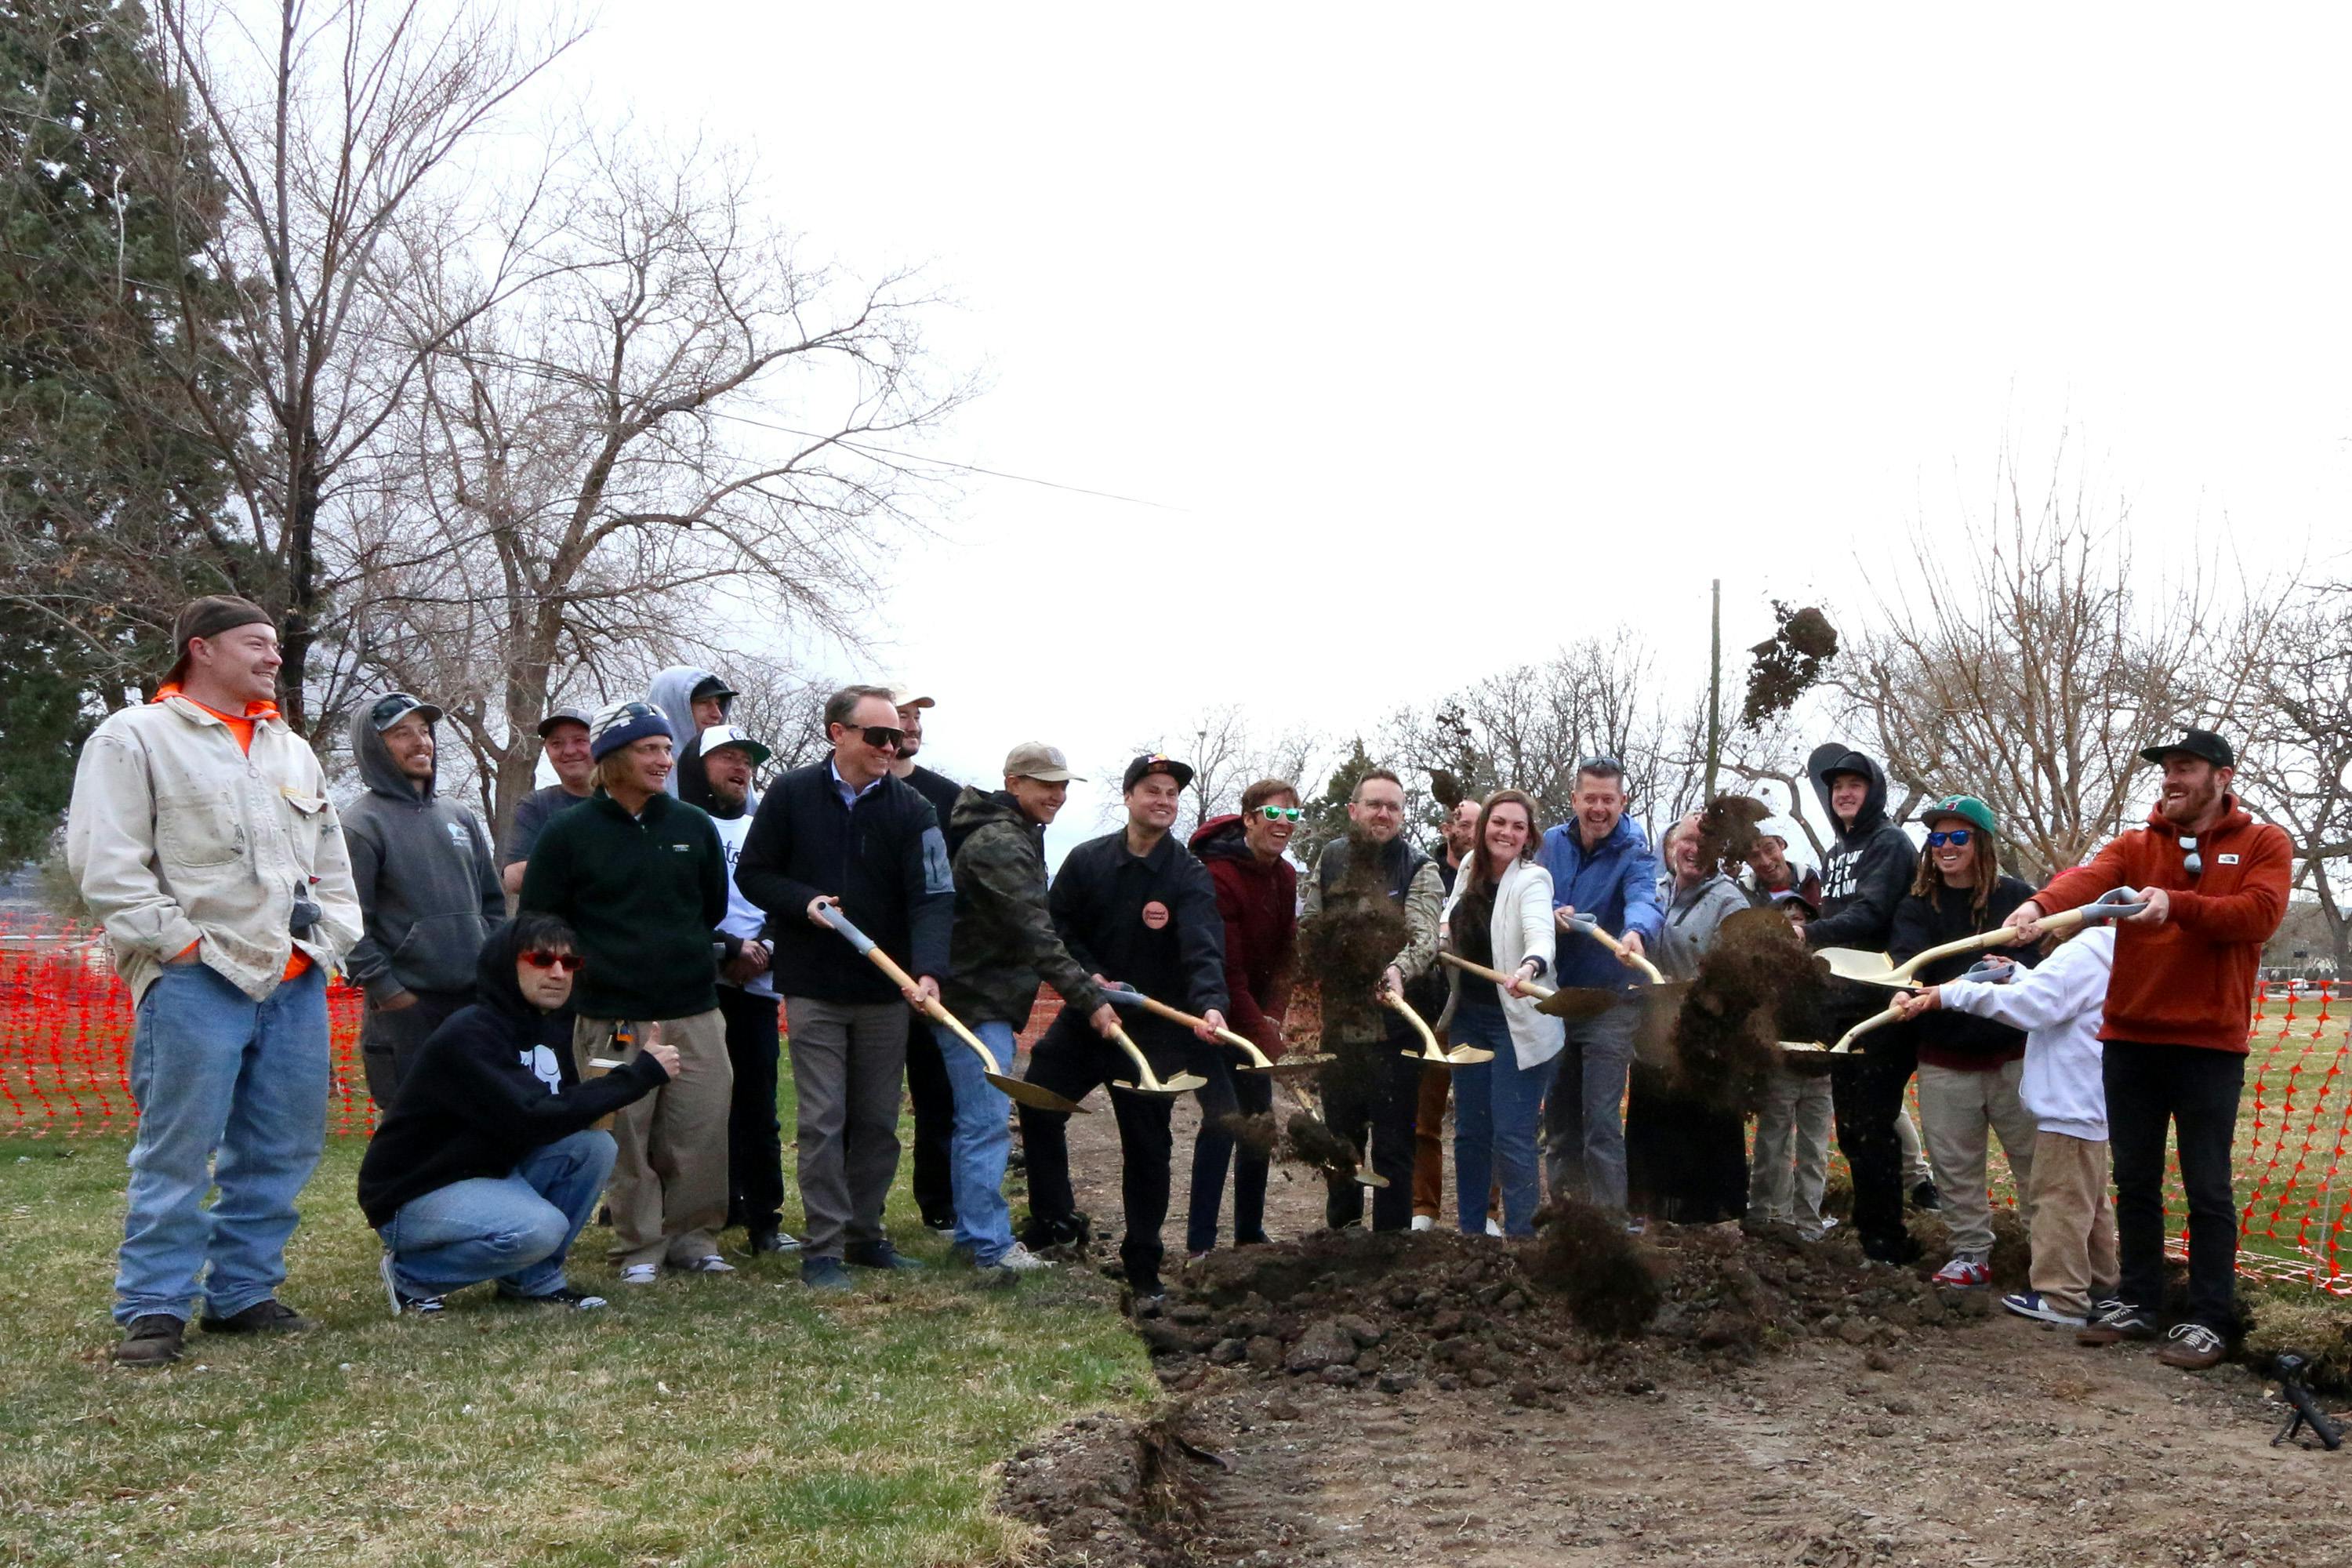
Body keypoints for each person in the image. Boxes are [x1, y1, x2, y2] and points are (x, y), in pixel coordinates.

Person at [66, 595, 362, 1366]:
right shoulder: (134, 737)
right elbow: (105, 860)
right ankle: (156, 1305)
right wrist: (180, 946)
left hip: (294, 980)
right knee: (178, 1147)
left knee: (281, 1147)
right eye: (256, 643)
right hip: (197, 979)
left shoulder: (289, 747)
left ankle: (242, 1293)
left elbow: (329, 858)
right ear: (201, 648)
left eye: (275, 645)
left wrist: (328, 938)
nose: (273, 657)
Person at [2006, 728, 2290, 1369]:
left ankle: (2211, 1319)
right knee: (2135, 1181)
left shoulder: (2262, 843)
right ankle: (2137, 1300)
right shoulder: (2136, 845)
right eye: (2165, 769)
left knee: (2208, 1187)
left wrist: (2178, 905)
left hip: (2209, 1045)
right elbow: (2087, 880)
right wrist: (2037, 907)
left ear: (2222, 776)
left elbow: (2260, 914)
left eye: (2185, 768)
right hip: (2129, 1040)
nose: (2171, 780)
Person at [735, 684, 953, 1291]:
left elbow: (934, 897)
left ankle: (866, 1235)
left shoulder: (913, 810)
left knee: (878, 1121)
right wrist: (803, 902)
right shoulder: (791, 794)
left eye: (898, 738)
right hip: (813, 988)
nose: (892, 746)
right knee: (824, 1119)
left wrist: (929, 970)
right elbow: (754, 874)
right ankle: (823, 1248)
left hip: (887, 993)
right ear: (839, 734)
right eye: (878, 736)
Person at [519, 699, 738, 1284]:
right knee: (625, 1135)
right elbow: (543, 920)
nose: (664, 760)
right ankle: (638, 1249)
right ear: (613, 759)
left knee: (700, 1130)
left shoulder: (693, 826)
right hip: (611, 1016)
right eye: (649, 749)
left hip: (693, 1009)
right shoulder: (568, 834)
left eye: (667, 749)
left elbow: (711, 907)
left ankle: (696, 1240)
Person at [359, 916, 681, 1314]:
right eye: (542, 960)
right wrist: (639, 1075)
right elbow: (535, 1116)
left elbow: (558, 1116)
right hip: (415, 1192)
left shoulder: (549, 1028)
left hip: (489, 1175)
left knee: (592, 1146)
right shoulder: (472, 1031)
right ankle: (414, 1277)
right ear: (506, 964)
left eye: (570, 963)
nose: (559, 973)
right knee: (539, 1229)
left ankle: (532, 1280)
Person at [1017, 754, 1229, 1301]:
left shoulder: (1187, 875)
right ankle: (1055, 1221)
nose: (1164, 800)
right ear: (1130, 796)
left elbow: (1204, 950)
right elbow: (1056, 928)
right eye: (1153, 790)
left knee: (1148, 1147)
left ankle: (1143, 1262)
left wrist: (1210, 1005)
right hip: (1088, 1017)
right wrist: (1089, 982)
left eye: (1172, 794)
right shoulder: (1087, 861)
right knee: (1039, 1101)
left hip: (1152, 1033)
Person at [937, 742, 1116, 1276]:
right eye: (1045, 784)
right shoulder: (998, 843)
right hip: (976, 1001)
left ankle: (974, 1237)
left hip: (987, 997)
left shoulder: (1018, 836)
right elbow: (1035, 933)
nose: (1057, 795)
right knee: (986, 1125)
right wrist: (1090, 1001)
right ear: (1014, 784)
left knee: (977, 1122)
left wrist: (1088, 979)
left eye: (1062, 786)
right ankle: (990, 1249)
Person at [1896, 925, 2119, 1329]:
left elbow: (2036, 1007)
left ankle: (2062, 1295)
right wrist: (2018, 974)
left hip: (2067, 1106)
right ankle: (2103, 1287)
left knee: (2058, 1199)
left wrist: (1954, 994)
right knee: (2089, 1201)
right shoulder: (2106, 951)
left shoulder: (2083, 951)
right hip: (2087, 1103)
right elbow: (2058, 998)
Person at [1883, 796, 2042, 1286]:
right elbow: (1906, 965)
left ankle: (2050, 1260)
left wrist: (2016, 972)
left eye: (1958, 837)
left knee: (2036, 1166)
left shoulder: (2018, 899)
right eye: (1937, 838)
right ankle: (1970, 1253)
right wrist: (1904, 994)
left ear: (1982, 843)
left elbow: (2042, 970)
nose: (1946, 847)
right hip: (1945, 1060)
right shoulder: (1918, 904)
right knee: (1955, 1169)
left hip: (2012, 1057)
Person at [343, 691, 506, 1106]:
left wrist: (493, 972)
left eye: (425, 731)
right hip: (406, 1010)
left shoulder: (459, 816)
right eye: (402, 734)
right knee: (414, 1135)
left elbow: (493, 905)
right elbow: (346, 923)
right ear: (374, 748)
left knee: (479, 1119)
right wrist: (390, 991)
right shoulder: (360, 825)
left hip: (473, 1001)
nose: (421, 742)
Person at [1802, 742, 1930, 1263]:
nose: (1845, 793)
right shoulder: (1837, 854)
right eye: (1837, 787)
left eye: (1855, 785)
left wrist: (1804, 933)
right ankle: (1870, 1229)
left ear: (1872, 790)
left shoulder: (1890, 844)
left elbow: (1873, 913)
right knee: (1850, 1126)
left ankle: (1887, 1239)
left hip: (1884, 999)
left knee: (1874, 1123)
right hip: (1842, 1004)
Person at [1302, 768, 1442, 1232]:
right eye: (1375, 804)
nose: (1383, 813)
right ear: (1354, 810)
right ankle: (1342, 1237)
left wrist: (1397, 970)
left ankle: (1392, 1241)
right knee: (1340, 1144)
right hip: (1340, 1027)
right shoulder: (1332, 857)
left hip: (1394, 1030)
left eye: (1393, 807)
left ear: (1403, 815)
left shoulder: (1419, 867)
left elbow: (1425, 936)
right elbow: (1309, 921)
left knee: (1393, 1147)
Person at [1534, 757, 1661, 1218]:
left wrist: (1636, 933)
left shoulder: (1635, 851)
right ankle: (1566, 1219)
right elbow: (1532, 894)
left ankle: (1609, 1225)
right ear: (1575, 800)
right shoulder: (1550, 844)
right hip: (1559, 999)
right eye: (1591, 798)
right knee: (1560, 1122)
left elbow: (1644, 898)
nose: (1599, 808)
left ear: (1622, 801)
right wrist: (1548, 914)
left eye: (1609, 799)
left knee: (1601, 1122)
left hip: (1611, 1002)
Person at [1185, 778, 1301, 1258]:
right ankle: (1200, 1244)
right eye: (1274, 815)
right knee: (1224, 1119)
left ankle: (1249, 1232)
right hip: (1209, 1012)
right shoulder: (1218, 875)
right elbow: (1227, 968)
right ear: (1250, 818)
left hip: (1253, 1015)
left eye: (1292, 817)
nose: (1284, 826)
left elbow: (1286, 955)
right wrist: (1261, 1034)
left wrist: (1273, 1015)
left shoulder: (1287, 875)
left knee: (1260, 1120)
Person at [1436, 789, 1560, 1236]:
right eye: (1499, 822)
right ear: (1485, 823)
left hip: (1519, 1021)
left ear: (1528, 836)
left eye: (1518, 826)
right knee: (1471, 1133)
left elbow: (1539, 933)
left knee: (1511, 1133)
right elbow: (1449, 917)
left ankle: (1523, 1237)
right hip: (1471, 1017)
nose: (1506, 832)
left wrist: (1530, 966)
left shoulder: (1533, 880)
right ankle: (1472, 1235)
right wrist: (1442, 937)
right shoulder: (1469, 867)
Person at [699, 722, 798, 1255]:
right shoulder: (687, 826)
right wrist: (727, 950)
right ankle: (705, 1216)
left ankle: (765, 1222)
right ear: (702, 764)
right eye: (726, 757)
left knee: (759, 1108)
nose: (739, 768)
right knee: (698, 1107)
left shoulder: (766, 828)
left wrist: (763, 951)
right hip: (698, 985)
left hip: (758, 985)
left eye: (746, 760)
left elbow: (789, 900)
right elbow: (679, 906)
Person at [1626, 813, 1754, 1224]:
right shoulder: (1654, 891)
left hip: (1705, 1036)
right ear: (1671, 845)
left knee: (1704, 1129)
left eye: (1706, 843)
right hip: (1652, 1032)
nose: (1694, 850)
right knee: (1652, 1127)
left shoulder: (1729, 900)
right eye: (1687, 840)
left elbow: (1738, 970)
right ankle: (1652, 1216)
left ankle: (1714, 1220)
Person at [887, 685, 961, 1236]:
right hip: (867, 970)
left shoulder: (946, 797)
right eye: (901, 715)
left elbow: (951, 888)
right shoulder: (849, 792)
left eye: (916, 717)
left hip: (932, 968)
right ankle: (858, 1212)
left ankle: (939, 1204)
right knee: (867, 1100)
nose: (911, 725)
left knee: (938, 1094)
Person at [1413, 797, 1483, 1232]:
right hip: (1431, 1010)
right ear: (1447, 829)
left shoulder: (1495, 878)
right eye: (1465, 823)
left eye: (1482, 824)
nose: (1474, 832)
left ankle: (1487, 1214)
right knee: (1424, 1119)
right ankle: (1423, 1210)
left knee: (1480, 1120)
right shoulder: (1426, 874)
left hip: (1478, 1011)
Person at [501, 706, 596, 898]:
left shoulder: (626, 800)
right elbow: (513, 877)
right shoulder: (535, 805)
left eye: (580, 741)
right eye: (556, 744)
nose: (569, 751)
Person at [647, 665, 735, 809]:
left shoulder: (732, 764)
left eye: (718, 704)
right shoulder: (643, 768)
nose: (717, 714)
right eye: (704, 703)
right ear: (674, 707)